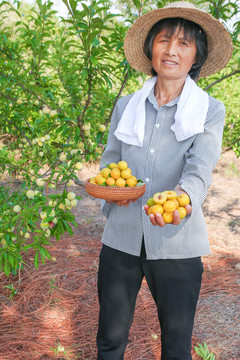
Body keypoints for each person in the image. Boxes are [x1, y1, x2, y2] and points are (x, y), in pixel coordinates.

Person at [96, 1, 233, 359]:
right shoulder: (127, 104)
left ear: (196, 57)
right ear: (150, 48)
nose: (171, 50)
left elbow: (200, 168)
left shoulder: (209, 109)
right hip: (122, 237)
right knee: (110, 339)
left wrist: (183, 200)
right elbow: (111, 160)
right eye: (163, 40)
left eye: (184, 43)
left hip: (177, 241)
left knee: (175, 346)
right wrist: (112, 193)